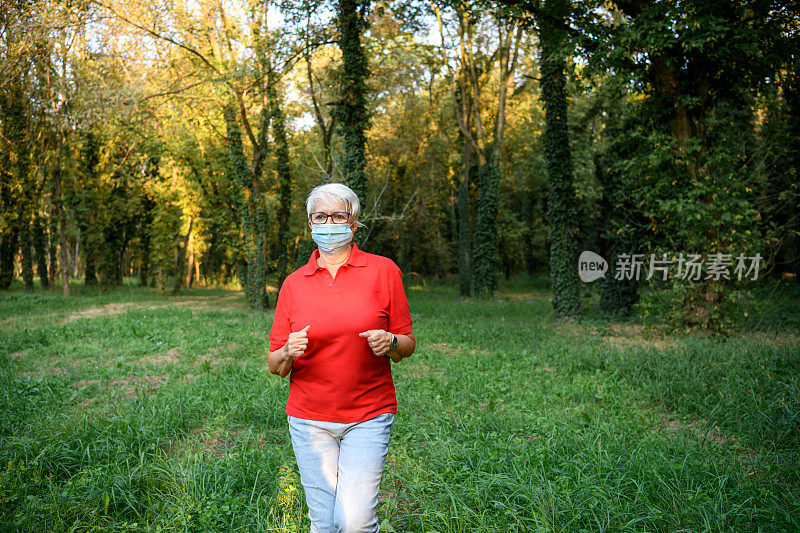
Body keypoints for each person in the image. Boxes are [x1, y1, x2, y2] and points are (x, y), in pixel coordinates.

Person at [268, 183, 416, 533]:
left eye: (338, 215)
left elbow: (407, 345)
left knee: (355, 522)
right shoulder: (293, 283)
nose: (329, 222)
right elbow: (275, 365)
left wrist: (391, 341)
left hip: (368, 414)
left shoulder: (384, 271)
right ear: (310, 224)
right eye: (321, 216)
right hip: (309, 421)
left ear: (354, 223)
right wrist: (288, 351)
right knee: (323, 523)